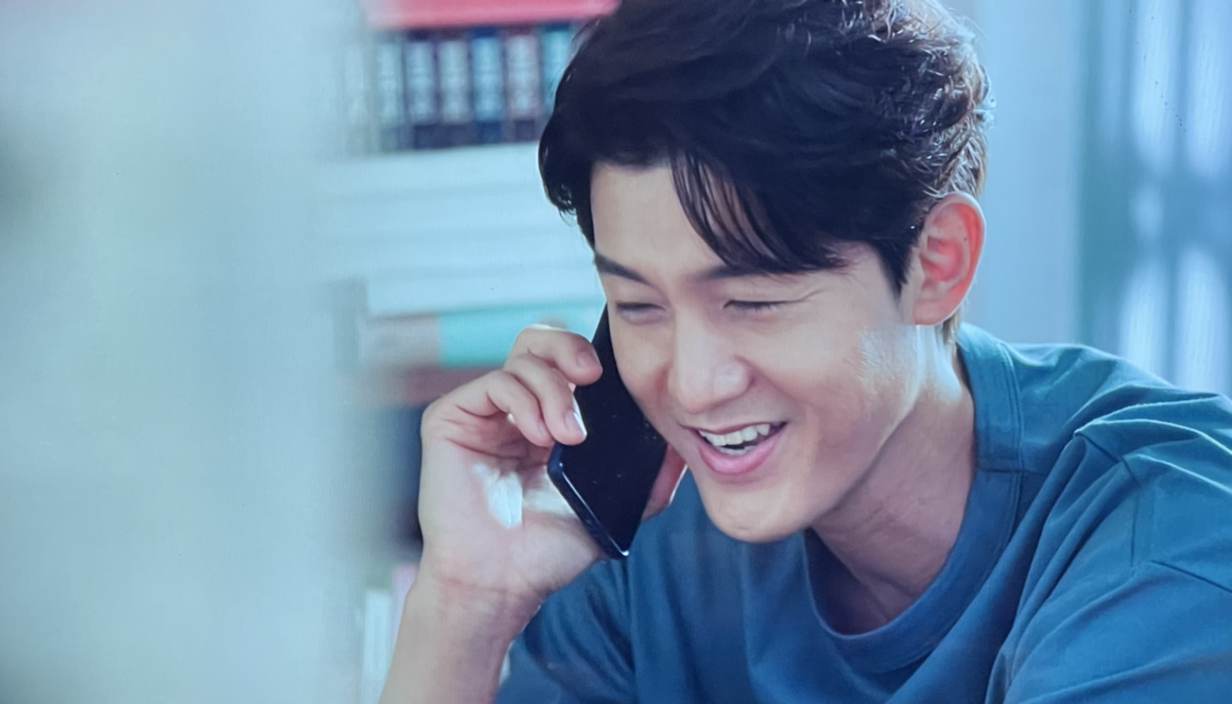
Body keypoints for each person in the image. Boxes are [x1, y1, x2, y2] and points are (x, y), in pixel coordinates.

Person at [381, 0, 1232, 702]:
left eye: (753, 302)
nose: (694, 387)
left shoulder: (1164, 537)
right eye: (638, 306)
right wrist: (467, 605)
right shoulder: (653, 544)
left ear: (938, 263)